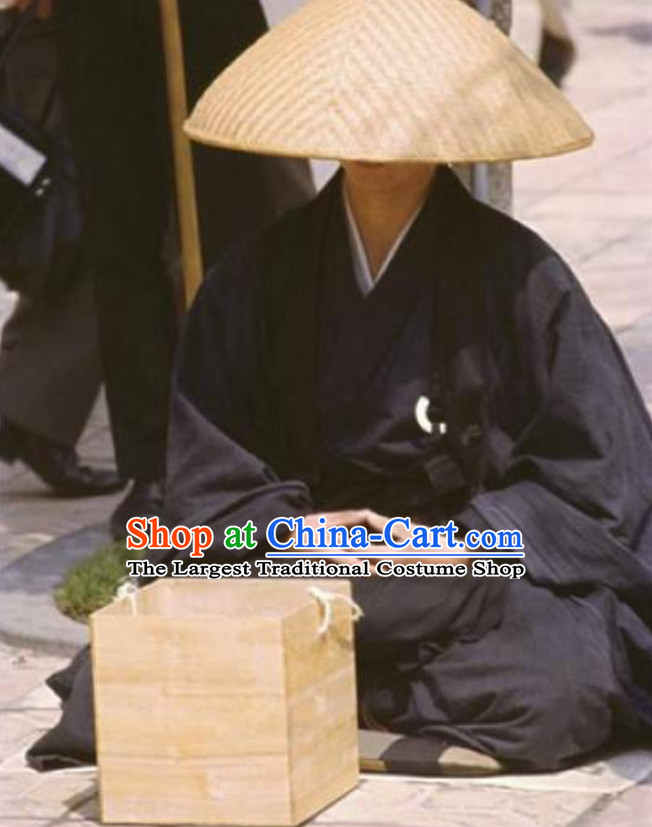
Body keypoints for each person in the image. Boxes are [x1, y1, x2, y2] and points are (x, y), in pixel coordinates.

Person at [27, 0, 652, 775]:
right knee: (136, 661)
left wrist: (444, 539)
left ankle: (329, 695)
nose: (380, 132)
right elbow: (212, 490)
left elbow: (598, 482)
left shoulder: (523, 277)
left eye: (404, 108)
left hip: (462, 565)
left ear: (448, 117)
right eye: (362, 105)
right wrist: (313, 533)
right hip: (312, 559)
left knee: (563, 675)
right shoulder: (254, 281)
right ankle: (386, 707)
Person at [53, 0, 314, 535]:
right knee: (119, 236)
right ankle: (152, 465)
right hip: (96, 18)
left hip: (207, 13)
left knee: (236, 224)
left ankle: (246, 443)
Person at [0, 1, 122, 497]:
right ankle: (30, 411)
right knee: (78, 220)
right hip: (56, 24)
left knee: (79, 224)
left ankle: (25, 405)